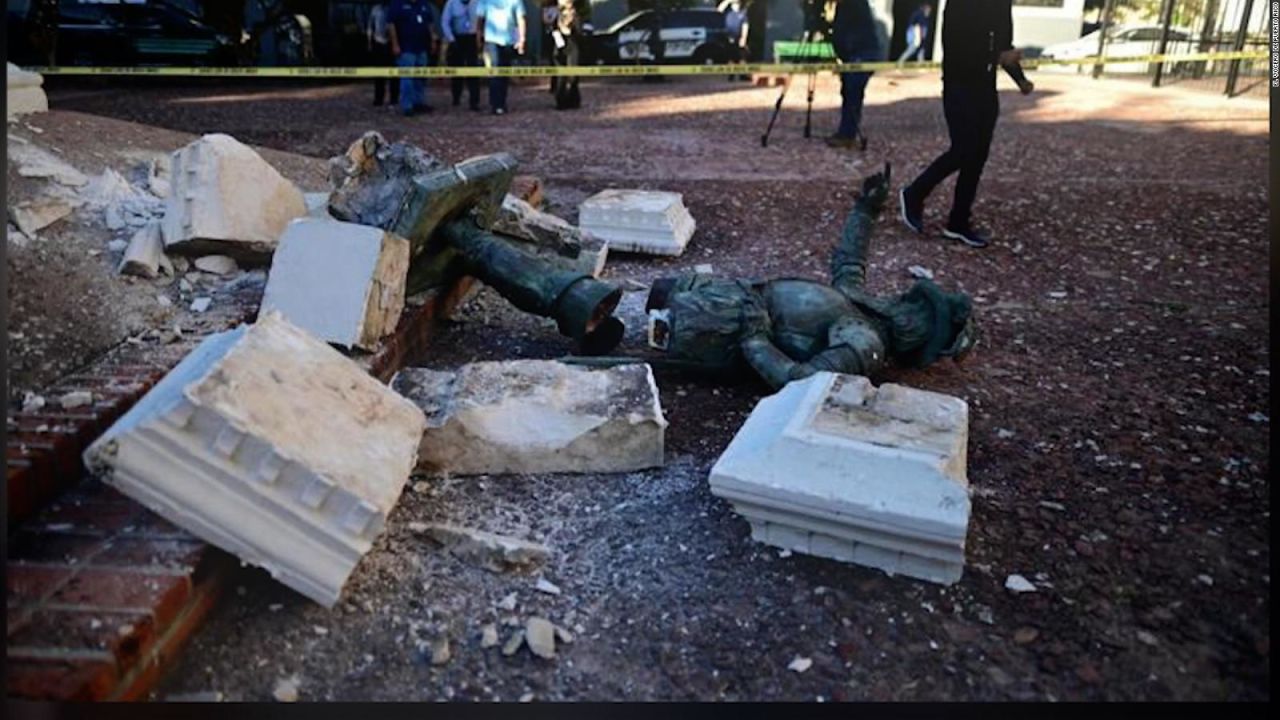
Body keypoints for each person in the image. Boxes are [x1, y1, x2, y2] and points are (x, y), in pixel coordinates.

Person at [629, 166, 976, 389]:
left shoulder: (863, 343)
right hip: (728, 297)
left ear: (920, 331)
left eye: (917, 308)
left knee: (621, 326)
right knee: (658, 295)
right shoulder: (862, 312)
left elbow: (800, 382)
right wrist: (867, 210)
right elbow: (850, 263)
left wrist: (754, 338)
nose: (905, 300)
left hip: (725, 328)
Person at [899, 0, 1033, 248]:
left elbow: (1004, 46)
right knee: (963, 149)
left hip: (985, 87)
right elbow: (957, 48)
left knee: (978, 156)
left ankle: (958, 222)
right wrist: (997, 55)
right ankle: (915, 193)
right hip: (959, 85)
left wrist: (1020, 79)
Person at [826, 0, 882, 150]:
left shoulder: (855, 4)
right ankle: (846, 133)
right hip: (852, 55)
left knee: (853, 91)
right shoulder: (842, 7)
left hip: (862, 54)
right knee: (848, 91)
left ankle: (848, 135)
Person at [387, 0, 441, 117]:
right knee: (407, 79)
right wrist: (395, 44)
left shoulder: (424, 4)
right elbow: (391, 25)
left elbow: (430, 23)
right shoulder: (397, 4)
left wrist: (433, 40)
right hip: (406, 48)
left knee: (421, 77)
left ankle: (419, 102)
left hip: (422, 47)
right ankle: (407, 106)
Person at [476, 0, 527, 115]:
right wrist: (479, 37)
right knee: (495, 69)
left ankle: (502, 102)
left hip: (509, 40)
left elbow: (521, 19)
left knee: (504, 72)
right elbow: (480, 19)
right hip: (492, 39)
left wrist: (522, 38)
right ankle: (495, 104)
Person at [442, 0, 482, 111]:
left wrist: (480, 37)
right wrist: (451, 39)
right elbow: (445, 22)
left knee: (473, 71)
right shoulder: (451, 3)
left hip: (472, 38)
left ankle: (474, 102)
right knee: (456, 71)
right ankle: (456, 97)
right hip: (457, 38)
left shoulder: (478, 2)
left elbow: (482, 19)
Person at [367, 2, 400, 107]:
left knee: (394, 74)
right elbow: (370, 26)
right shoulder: (375, 9)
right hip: (379, 42)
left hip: (392, 42)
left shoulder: (395, 8)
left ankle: (394, 99)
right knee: (379, 73)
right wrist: (369, 42)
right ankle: (378, 98)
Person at [552, 0, 583, 110]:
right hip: (559, 49)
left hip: (572, 47)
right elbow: (553, 31)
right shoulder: (557, 17)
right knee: (561, 76)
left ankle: (573, 100)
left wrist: (571, 25)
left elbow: (579, 33)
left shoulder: (576, 17)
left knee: (573, 76)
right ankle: (561, 102)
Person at [719, 0, 751, 81]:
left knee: (742, 57)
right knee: (731, 57)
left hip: (739, 38)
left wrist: (744, 38)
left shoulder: (742, 13)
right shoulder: (728, 12)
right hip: (729, 37)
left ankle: (742, 75)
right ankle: (731, 75)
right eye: (735, 4)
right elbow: (719, 9)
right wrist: (728, 1)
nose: (736, 5)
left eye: (738, 3)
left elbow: (745, 26)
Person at [896, 1, 931, 66]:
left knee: (921, 50)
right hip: (916, 33)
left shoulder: (925, 17)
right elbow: (916, 25)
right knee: (913, 48)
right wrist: (918, 34)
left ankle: (921, 63)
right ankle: (900, 61)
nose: (929, 12)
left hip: (920, 34)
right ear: (924, 8)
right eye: (928, 9)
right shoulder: (919, 14)